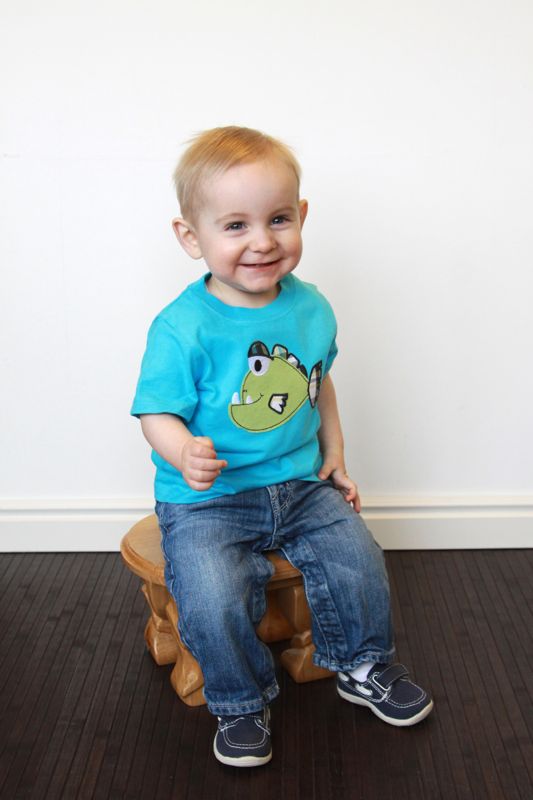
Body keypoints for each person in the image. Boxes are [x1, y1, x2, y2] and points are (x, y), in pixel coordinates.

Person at [131, 126, 433, 767]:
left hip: (299, 483)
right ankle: (239, 703)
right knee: (210, 591)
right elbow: (156, 411)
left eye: (277, 219)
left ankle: (363, 664)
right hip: (206, 499)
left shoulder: (311, 309)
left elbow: (320, 387)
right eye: (235, 226)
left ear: (301, 216)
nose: (262, 241)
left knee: (357, 556)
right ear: (193, 237)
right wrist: (182, 450)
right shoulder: (182, 326)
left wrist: (336, 456)